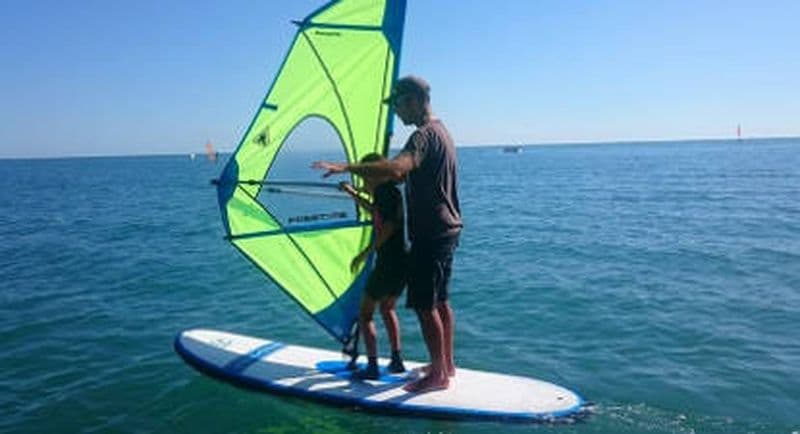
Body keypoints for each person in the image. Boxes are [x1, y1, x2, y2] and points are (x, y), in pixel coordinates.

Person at [313, 75, 462, 392]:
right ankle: (446, 365)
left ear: (414, 100)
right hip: (448, 230)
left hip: (431, 234)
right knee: (440, 301)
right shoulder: (443, 132)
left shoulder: (422, 136)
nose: (396, 111)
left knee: (425, 305)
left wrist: (347, 167)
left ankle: (438, 377)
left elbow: (397, 169)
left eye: (397, 104)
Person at [340, 153, 407, 380]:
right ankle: (396, 361)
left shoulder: (388, 193)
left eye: (365, 175)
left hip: (389, 264)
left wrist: (365, 253)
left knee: (365, 314)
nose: (363, 181)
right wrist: (352, 194)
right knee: (388, 309)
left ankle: (372, 367)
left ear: (374, 175)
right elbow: (375, 211)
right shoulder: (386, 193)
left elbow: (388, 226)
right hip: (400, 264)